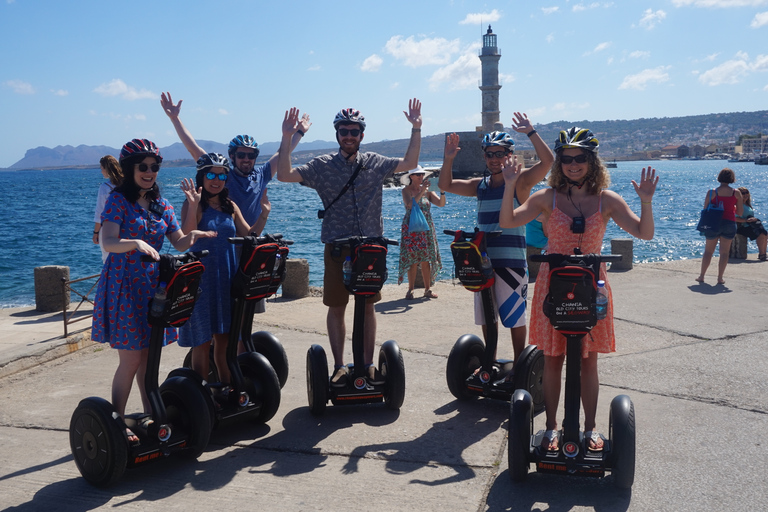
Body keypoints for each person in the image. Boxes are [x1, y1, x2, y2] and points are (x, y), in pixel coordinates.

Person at [499, 127, 658, 451]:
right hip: (553, 286)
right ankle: (552, 428)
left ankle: (591, 429)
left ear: (591, 161)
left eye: (580, 158)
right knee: (553, 359)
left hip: (592, 286)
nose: (573, 164)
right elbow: (507, 221)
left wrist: (646, 202)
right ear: (560, 162)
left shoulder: (607, 200)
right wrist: (511, 185)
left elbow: (644, 233)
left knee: (589, 362)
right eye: (567, 158)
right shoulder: (547, 197)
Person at [277, 100, 422, 387]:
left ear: (362, 135)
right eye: (344, 130)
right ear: (337, 134)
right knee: (337, 307)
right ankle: (340, 366)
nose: (349, 136)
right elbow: (283, 175)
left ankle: (367, 364)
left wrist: (416, 128)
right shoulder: (322, 166)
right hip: (337, 248)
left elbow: (409, 164)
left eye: (354, 131)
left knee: (367, 305)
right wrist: (286, 138)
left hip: (370, 248)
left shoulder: (375, 162)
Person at [91, 139, 215, 443]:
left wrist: (195, 217)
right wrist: (135, 243)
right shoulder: (118, 200)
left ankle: (152, 416)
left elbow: (180, 242)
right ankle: (116, 423)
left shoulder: (162, 205)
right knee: (131, 360)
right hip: (124, 287)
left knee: (150, 359)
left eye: (154, 166)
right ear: (131, 169)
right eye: (143, 167)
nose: (149, 172)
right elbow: (107, 241)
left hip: (153, 288)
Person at [438, 112, 554, 366]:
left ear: (509, 155)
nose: (494, 159)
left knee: (514, 318)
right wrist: (448, 159)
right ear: (484, 156)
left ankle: (519, 365)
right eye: (489, 153)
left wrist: (531, 133)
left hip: (511, 262)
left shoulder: (521, 183)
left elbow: (548, 162)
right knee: (487, 318)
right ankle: (489, 364)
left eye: (500, 153)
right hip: (484, 262)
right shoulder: (480, 185)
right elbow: (445, 185)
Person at [160, 92, 311, 233]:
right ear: (232, 156)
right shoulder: (222, 175)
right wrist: (175, 119)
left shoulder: (261, 175)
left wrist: (298, 132)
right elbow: (193, 148)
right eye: (241, 155)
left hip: (249, 241)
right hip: (225, 243)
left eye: (251, 155)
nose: (246, 159)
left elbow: (283, 153)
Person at [178, 153, 251, 391]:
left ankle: (227, 389)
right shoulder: (195, 205)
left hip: (226, 279)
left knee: (225, 339)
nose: (216, 180)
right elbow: (186, 239)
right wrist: (191, 204)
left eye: (221, 175)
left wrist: (264, 214)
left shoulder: (230, 206)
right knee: (202, 341)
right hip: (201, 281)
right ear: (202, 176)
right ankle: (201, 397)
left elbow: (248, 235)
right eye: (211, 174)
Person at [397, 166, 445, 300]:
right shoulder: (406, 191)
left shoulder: (428, 192)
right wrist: (422, 190)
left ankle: (427, 289)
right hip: (411, 228)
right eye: (417, 174)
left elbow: (441, 204)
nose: (420, 176)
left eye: (422, 174)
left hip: (426, 227)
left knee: (426, 259)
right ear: (411, 177)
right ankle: (410, 290)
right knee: (412, 259)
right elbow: (410, 206)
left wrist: (442, 192)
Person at [696, 168, 743, 285]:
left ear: (719, 177)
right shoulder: (736, 193)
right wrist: (731, 208)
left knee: (708, 251)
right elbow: (740, 213)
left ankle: (702, 276)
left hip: (713, 223)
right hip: (729, 223)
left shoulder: (712, 192)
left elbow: (705, 209)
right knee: (724, 252)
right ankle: (720, 278)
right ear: (732, 178)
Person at [93, 155, 123, 262]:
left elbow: (99, 213)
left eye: (102, 168)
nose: (101, 172)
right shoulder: (126, 185)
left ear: (107, 169)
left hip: (108, 228)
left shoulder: (105, 187)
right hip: (125, 227)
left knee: (108, 259)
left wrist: (96, 233)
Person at [735, 187, 767, 261]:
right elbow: (735, 218)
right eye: (743, 193)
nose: (745, 194)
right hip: (741, 227)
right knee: (761, 234)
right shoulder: (738, 205)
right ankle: (762, 254)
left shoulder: (747, 204)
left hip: (749, 225)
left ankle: (763, 253)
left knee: (765, 233)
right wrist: (746, 220)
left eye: (747, 192)